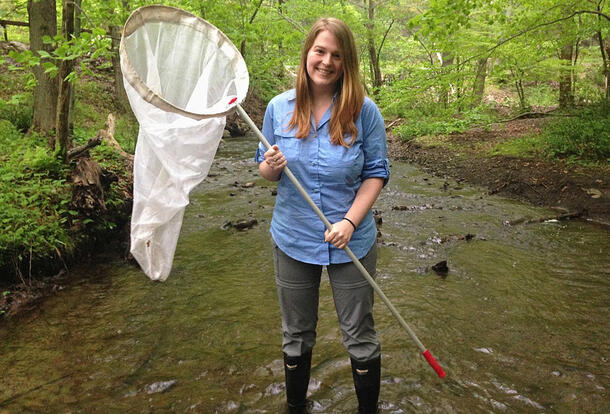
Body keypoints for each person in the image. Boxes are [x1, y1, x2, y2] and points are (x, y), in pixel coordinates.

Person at [254, 17, 389, 414]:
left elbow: (377, 173)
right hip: (293, 239)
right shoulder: (279, 108)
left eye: (336, 55)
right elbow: (264, 172)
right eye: (320, 51)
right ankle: (297, 407)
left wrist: (349, 221)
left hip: (353, 241)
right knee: (296, 335)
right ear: (307, 54)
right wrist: (272, 165)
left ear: (347, 62)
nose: (326, 61)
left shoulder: (365, 112)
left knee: (359, 335)